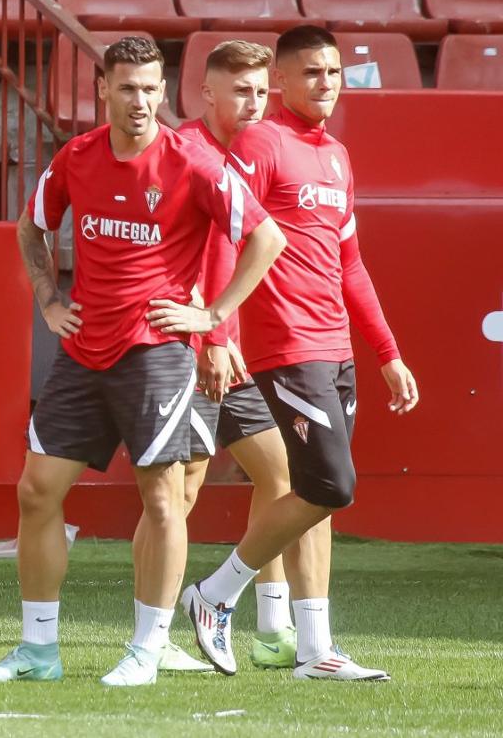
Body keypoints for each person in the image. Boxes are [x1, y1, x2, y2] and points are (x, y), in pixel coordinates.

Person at [0, 36, 285, 687]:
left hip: (160, 356)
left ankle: (146, 648)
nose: (140, 101)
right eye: (128, 87)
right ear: (102, 90)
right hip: (83, 352)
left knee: (164, 499)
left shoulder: (191, 161)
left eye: (150, 88)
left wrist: (211, 316)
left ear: (164, 91)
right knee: (36, 492)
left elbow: (265, 238)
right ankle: (37, 651)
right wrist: (49, 298)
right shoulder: (77, 157)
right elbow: (32, 227)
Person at [182, 26, 419, 682]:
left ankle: (316, 651)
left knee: (322, 495)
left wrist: (387, 351)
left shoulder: (338, 156)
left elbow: (352, 264)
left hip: (335, 346)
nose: (326, 83)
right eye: (311, 72)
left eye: (334, 72)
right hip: (285, 344)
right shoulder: (260, 142)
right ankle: (216, 593)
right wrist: (219, 331)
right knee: (329, 484)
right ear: (280, 82)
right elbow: (230, 237)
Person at [173, 40, 300, 669]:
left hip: (238, 355)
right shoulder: (187, 153)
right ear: (208, 93)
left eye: (260, 91)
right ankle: (154, 633)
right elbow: (196, 259)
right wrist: (214, 339)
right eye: (241, 91)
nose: (254, 104)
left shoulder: (262, 151)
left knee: (281, 479)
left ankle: (271, 628)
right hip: (196, 351)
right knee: (181, 491)